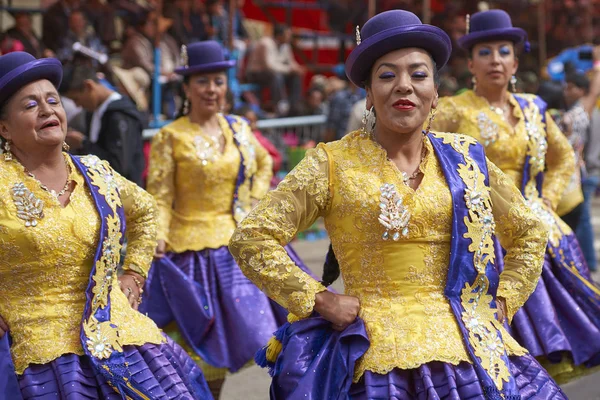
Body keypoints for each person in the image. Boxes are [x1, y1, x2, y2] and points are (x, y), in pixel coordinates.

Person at [230, 10, 565, 399]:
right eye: (387, 75)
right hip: (376, 361)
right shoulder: (332, 163)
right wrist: (319, 300)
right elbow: (252, 237)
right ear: (369, 93)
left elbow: (529, 230)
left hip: (474, 352)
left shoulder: (465, 158)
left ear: (435, 93)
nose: (404, 86)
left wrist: (503, 303)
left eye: (418, 75)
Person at [0, 51, 211, 399]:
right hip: (38, 352)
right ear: (4, 128)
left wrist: (135, 274)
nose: (47, 110)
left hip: (121, 336)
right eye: (30, 105)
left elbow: (144, 209)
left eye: (53, 100)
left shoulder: (95, 172)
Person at [432, 9, 600, 383]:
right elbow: (423, 158)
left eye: (504, 52)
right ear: (471, 63)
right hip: (478, 238)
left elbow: (563, 158)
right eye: (485, 52)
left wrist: (547, 201)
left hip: (539, 233)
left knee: (549, 350)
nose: (495, 60)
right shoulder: (452, 110)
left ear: (516, 62)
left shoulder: (534, 107)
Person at [140, 41, 312, 400]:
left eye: (218, 81)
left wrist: (250, 204)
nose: (212, 90)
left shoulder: (238, 128)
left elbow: (264, 162)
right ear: (186, 88)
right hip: (193, 254)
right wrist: (156, 236)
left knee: (270, 339)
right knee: (202, 354)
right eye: (202, 82)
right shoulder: (170, 137)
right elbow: (160, 196)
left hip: (240, 248)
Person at [60, 62, 146, 186]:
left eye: (76, 99)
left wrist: (83, 143)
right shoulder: (93, 112)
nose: (77, 105)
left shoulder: (119, 115)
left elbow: (119, 166)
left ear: (88, 86)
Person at [563, 68, 600, 271]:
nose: (566, 92)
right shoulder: (591, 112)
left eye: (570, 88)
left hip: (582, 173)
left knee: (583, 219)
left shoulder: (577, 114)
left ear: (581, 91)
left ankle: (588, 263)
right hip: (589, 171)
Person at [246, 24, 305, 115]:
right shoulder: (265, 43)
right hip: (256, 73)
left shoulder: (286, 46)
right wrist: (289, 69)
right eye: (287, 35)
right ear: (279, 36)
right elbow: (269, 66)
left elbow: (290, 62)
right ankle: (280, 105)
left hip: (275, 73)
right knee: (276, 76)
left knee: (295, 75)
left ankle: (294, 104)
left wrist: (297, 69)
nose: (289, 37)